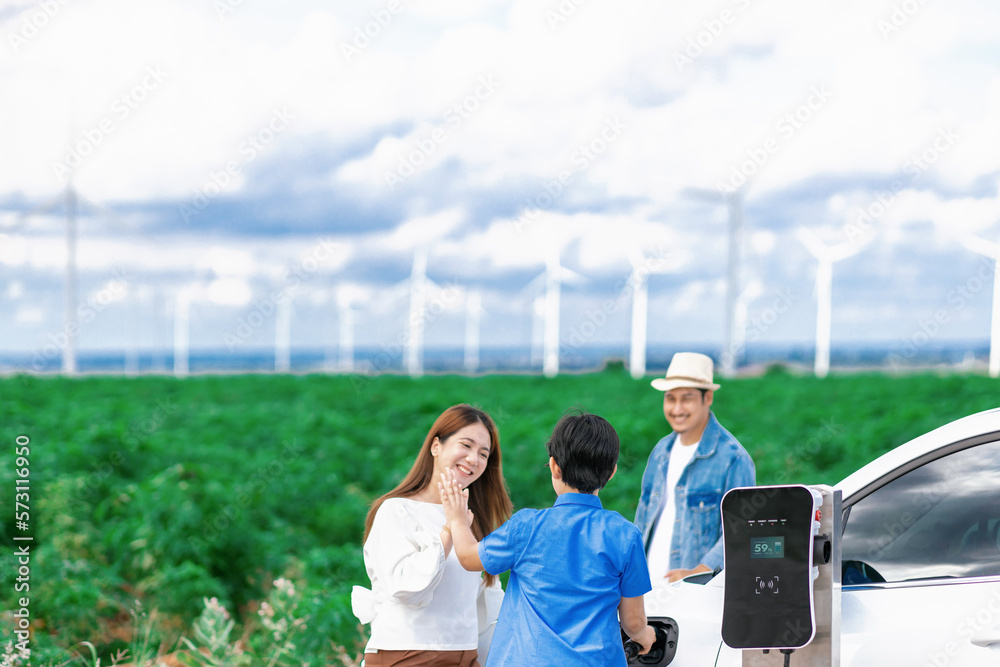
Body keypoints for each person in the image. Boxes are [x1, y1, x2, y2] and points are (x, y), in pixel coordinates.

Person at [441, 411, 656, 666]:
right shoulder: (626, 535)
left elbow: (468, 557)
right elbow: (633, 623)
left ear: (554, 466)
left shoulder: (526, 527)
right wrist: (645, 635)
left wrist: (456, 519)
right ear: (611, 473)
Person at [352, 404, 513, 667]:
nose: (474, 459)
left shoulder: (474, 519)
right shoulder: (396, 510)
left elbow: (486, 606)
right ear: (436, 446)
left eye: (484, 454)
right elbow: (405, 589)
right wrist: (451, 528)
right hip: (406, 655)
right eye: (466, 445)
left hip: (466, 656)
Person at [635, 351, 756, 583]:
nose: (677, 408)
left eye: (687, 398)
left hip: (693, 596)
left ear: (707, 398)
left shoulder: (733, 458)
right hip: (646, 590)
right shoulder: (661, 452)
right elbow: (642, 519)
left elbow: (741, 530)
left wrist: (698, 572)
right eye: (670, 398)